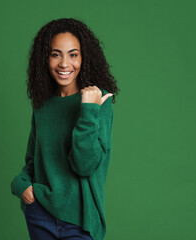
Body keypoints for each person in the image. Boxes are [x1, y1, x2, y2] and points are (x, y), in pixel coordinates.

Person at [11, 17, 120, 240]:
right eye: (55, 54)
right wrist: (21, 185)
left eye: (73, 54)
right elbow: (33, 160)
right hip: (40, 214)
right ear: (46, 58)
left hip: (81, 222)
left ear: (84, 57)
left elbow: (84, 165)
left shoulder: (99, 101)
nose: (64, 64)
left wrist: (88, 109)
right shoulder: (42, 104)